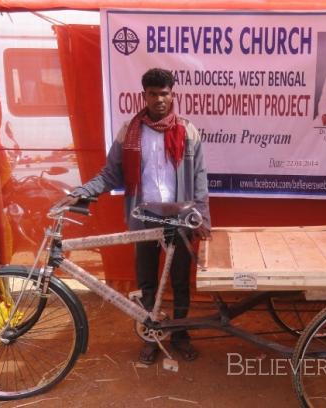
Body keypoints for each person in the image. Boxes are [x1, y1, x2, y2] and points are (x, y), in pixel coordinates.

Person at [57, 68, 210, 364]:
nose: (159, 100)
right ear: (144, 96)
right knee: (148, 280)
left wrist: (201, 215)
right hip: (144, 219)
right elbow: (111, 173)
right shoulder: (130, 131)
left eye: (164, 93)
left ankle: (180, 335)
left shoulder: (188, 131)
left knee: (180, 282)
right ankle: (151, 334)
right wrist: (81, 191)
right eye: (152, 94)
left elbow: (200, 176)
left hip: (179, 220)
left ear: (172, 95)